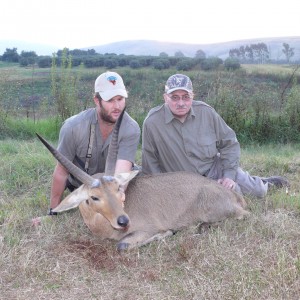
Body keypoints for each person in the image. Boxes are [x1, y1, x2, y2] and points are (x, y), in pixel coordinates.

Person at [141, 73, 289, 198]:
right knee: (230, 195)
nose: (181, 103)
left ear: (193, 96)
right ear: (165, 98)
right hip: (183, 181)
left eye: (186, 97)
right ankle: (244, 183)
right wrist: (163, 191)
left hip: (214, 168)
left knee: (258, 192)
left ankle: (262, 183)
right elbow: (150, 163)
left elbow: (229, 143)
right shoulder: (152, 122)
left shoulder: (206, 112)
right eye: (175, 97)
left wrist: (228, 176)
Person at [48, 71, 140, 215]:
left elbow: (122, 174)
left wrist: (117, 198)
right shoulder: (73, 127)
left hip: (111, 186)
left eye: (120, 99)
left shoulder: (131, 128)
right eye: (110, 100)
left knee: (140, 175)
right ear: (97, 100)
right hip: (82, 186)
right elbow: (61, 172)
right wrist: (52, 212)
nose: (117, 106)